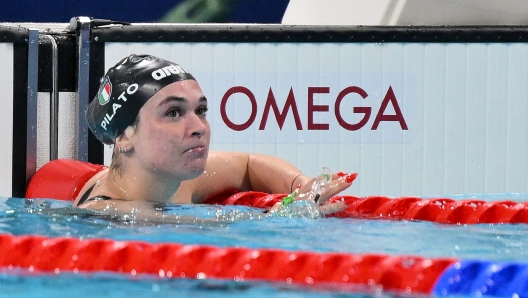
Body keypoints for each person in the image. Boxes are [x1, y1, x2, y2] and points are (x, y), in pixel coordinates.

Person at [73, 54, 356, 218]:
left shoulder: (172, 180)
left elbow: (246, 164)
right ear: (123, 136)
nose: (198, 126)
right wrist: (293, 214)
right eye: (173, 113)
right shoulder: (114, 215)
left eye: (201, 110)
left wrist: (302, 185)